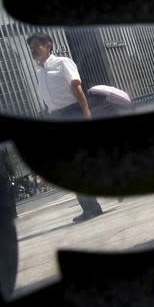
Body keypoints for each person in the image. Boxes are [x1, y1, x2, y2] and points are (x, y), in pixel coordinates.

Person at [26, 32, 104, 223]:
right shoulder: (39, 72)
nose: (33, 50)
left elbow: (77, 87)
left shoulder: (62, 62)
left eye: (37, 45)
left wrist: (86, 113)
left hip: (73, 112)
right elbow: (47, 100)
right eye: (31, 47)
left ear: (48, 45)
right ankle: (90, 207)